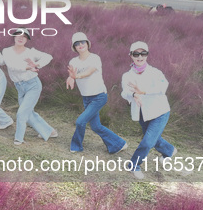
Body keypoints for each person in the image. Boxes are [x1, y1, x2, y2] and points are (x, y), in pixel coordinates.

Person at [121, 41, 177, 179]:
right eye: (136, 54)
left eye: (143, 53)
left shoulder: (155, 72)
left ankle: (133, 165)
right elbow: (124, 92)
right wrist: (133, 95)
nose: (140, 57)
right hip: (142, 113)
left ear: (147, 55)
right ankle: (169, 151)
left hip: (160, 111)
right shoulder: (127, 75)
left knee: (147, 142)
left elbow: (163, 88)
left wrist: (144, 91)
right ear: (131, 55)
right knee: (153, 139)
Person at [66, 32, 127, 154]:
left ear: (87, 43)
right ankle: (119, 144)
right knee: (95, 126)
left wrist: (76, 76)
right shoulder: (73, 61)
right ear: (74, 47)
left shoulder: (95, 58)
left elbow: (88, 72)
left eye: (82, 42)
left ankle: (76, 146)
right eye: (77, 44)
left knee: (80, 121)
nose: (80, 45)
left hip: (99, 96)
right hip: (86, 98)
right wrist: (70, 78)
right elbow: (72, 74)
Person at [3, 27, 57, 146]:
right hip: (19, 87)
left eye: (24, 36)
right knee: (28, 113)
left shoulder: (30, 52)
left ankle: (18, 139)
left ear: (27, 39)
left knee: (22, 113)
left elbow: (48, 57)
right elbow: (12, 66)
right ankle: (50, 132)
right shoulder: (6, 51)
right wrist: (28, 67)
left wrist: (36, 64)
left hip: (33, 85)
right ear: (14, 36)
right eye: (18, 35)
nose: (21, 38)